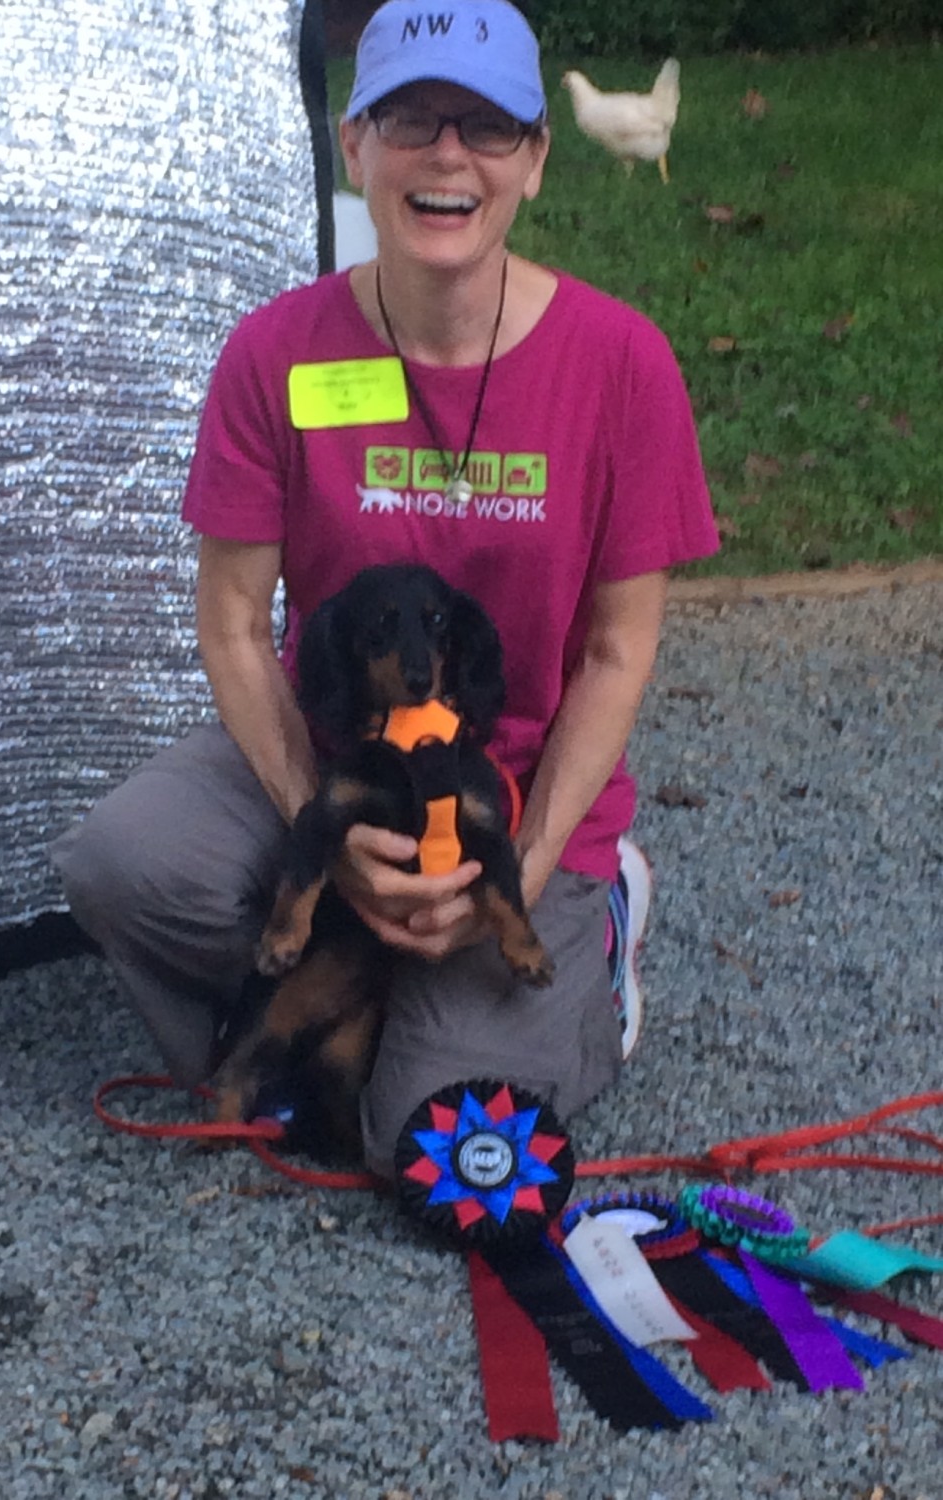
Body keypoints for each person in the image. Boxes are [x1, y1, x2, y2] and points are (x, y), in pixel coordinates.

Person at [52, 0, 719, 1177]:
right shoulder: (276, 356)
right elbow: (233, 627)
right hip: (343, 755)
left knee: (421, 1137)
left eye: (488, 125)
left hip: (508, 783)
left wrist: (528, 850)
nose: (448, 154)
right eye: (410, 117)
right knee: (125, 860)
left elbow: (617, 655)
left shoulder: (623, 366)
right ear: (354, 146)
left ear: (537, 162)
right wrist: (335, 824)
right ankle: (347, 973)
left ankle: (593, 933)